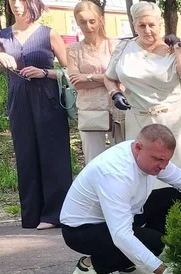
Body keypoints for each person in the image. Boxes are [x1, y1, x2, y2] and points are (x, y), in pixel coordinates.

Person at [60, 124, 181, 274]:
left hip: (123, 215)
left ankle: (129, 266)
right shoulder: (115, 174)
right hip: (82, 229)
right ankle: (91, 267)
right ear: (138, 148)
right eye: (158, 159)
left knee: (171, 197)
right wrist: (163, 271)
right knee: (155, 241)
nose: (163, 166)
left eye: (167, 160)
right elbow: (121, 235)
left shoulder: (148, 157)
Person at [0, 0, 73, 230]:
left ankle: (55, 215)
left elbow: (71, 70)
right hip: (19, 100)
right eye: (12, 1)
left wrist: (45, 72)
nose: (16, 5)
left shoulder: (49, 34)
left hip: (48, 99)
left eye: (22, 1)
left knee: (53, 154)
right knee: (26, 155)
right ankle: (31, 214)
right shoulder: (2, 36)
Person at [104, 1, 181, 176]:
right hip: (138, 121)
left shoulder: (172, 50)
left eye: (151, 25)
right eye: (142, 25)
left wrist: (178, 45)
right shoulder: (124, 48)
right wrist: (115, 93)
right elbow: (109, 77)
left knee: (172, 174)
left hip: (170, 121)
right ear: (134, 26)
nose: (147, 30)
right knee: (140, 173)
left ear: (159, 24)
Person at [67, 0, 125, 164]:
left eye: (92, 21)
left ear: (101, 20)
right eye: (82, 22)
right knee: (94, 162)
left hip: (117, 109)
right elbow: (76, 82)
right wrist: (108, 78)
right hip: (90, 110)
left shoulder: (115, 46)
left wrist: (89, 77)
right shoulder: (73, 50)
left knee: (122, 160)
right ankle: (95, 190)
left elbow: (121, 76)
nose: (88, 26)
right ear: (77, 22)